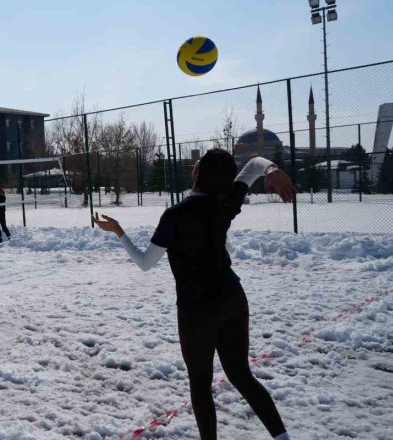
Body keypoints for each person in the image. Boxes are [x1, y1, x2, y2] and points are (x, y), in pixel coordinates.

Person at [94, 149, 295, 440]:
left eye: (199, 163)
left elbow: (145, 263)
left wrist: (118, 231)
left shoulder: (175, 215)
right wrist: (272, 170)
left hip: (197, 311)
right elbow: (253, 166)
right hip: (232, 299)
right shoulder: (226, 201)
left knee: (200, 386)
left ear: (198, 174)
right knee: (242, 376)